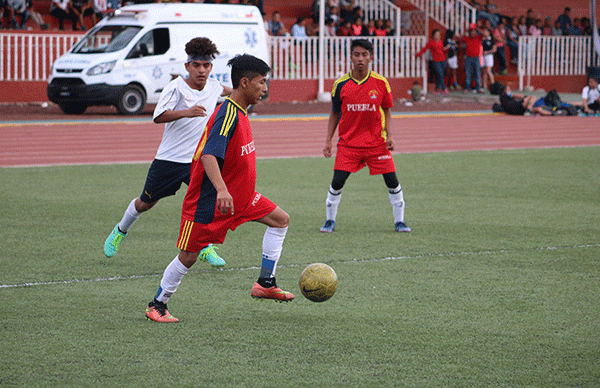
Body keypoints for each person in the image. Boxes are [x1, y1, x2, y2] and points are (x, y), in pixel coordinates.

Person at [145, 54, 295, 323]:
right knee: (189, 256)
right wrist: (223, 190)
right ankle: (157, 304)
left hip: (243, 199)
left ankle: (265, 282)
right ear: (245, 82)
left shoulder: (241, 112)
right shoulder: (227, 113)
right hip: (210, 202)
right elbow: (208, 156)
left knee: (280, 220)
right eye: (262, 82)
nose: (265, 88)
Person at [103, 37, 233, 260]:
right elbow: (158, 116)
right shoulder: (175, 88)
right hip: (170, 159)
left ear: (211, 66)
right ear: (187, 66)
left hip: (198, 160)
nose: (201, 70)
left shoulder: (215, 87)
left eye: (206, 65)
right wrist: (187, 111)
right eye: (196, 65)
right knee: (145, 203)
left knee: (204, 204)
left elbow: (233, 94)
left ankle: (204, 246)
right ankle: (120, 230)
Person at [320, 39, 411, 233]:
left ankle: (400, 222)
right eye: (356, 55)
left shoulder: (380, 83)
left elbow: (387, 110)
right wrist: (328, 140)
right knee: (337, 181)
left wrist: (390, 136)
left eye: (364, 55)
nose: (360, 59)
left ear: (371, 57)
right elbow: (335, 112)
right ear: (350, 57)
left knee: (392, 180)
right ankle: (329, 220)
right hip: (349, 144)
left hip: (376, 143)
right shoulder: (340, 84)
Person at [416, 29, 448, 94]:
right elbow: (425, 48)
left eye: (439, 35)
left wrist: (447, 49)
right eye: (436, 35)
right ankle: (444, 88)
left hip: (443, 60)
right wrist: (418, 54)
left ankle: (436, 89)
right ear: (433, 36)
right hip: (436, 61)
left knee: (440, 75)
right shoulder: (431, 42)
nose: (438, 36)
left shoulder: (441, 42)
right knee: (440, 74)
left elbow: (443, 51)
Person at [463, 23, 483, 93]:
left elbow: (485, 34)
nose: (473, 33)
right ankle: (467, 88)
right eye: (471, 32)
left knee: (477, 73)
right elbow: (460, 38)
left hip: (476, 58)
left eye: (474, 32)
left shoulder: (478, 37)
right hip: (468, 58)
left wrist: (477, 28)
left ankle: (478, 88)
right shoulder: (467, 38)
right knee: (468, 74)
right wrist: (467, 30)